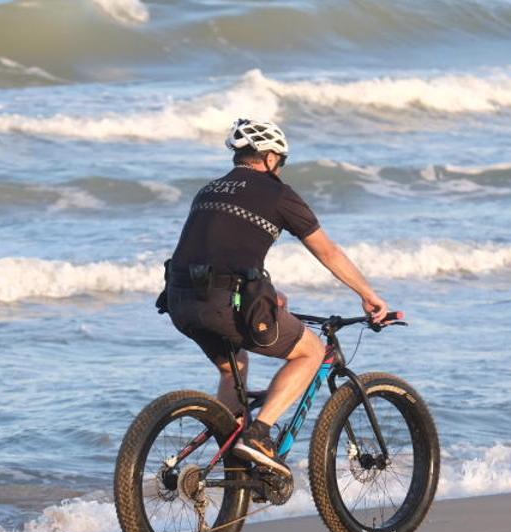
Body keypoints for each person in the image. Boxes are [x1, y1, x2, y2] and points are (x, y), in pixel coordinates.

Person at [164, 118, 389, 477]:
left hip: (180, 301)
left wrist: (268, 293)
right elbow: (327, 251)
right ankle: (258, 435)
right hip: (225, 302)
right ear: (269, 158)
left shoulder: (207, 190)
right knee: (312, 351)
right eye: (281, 161)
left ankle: (229, 461)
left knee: (232, 367)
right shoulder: (278, 194)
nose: (281, 169)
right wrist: (369, 295)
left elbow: (219, 249)